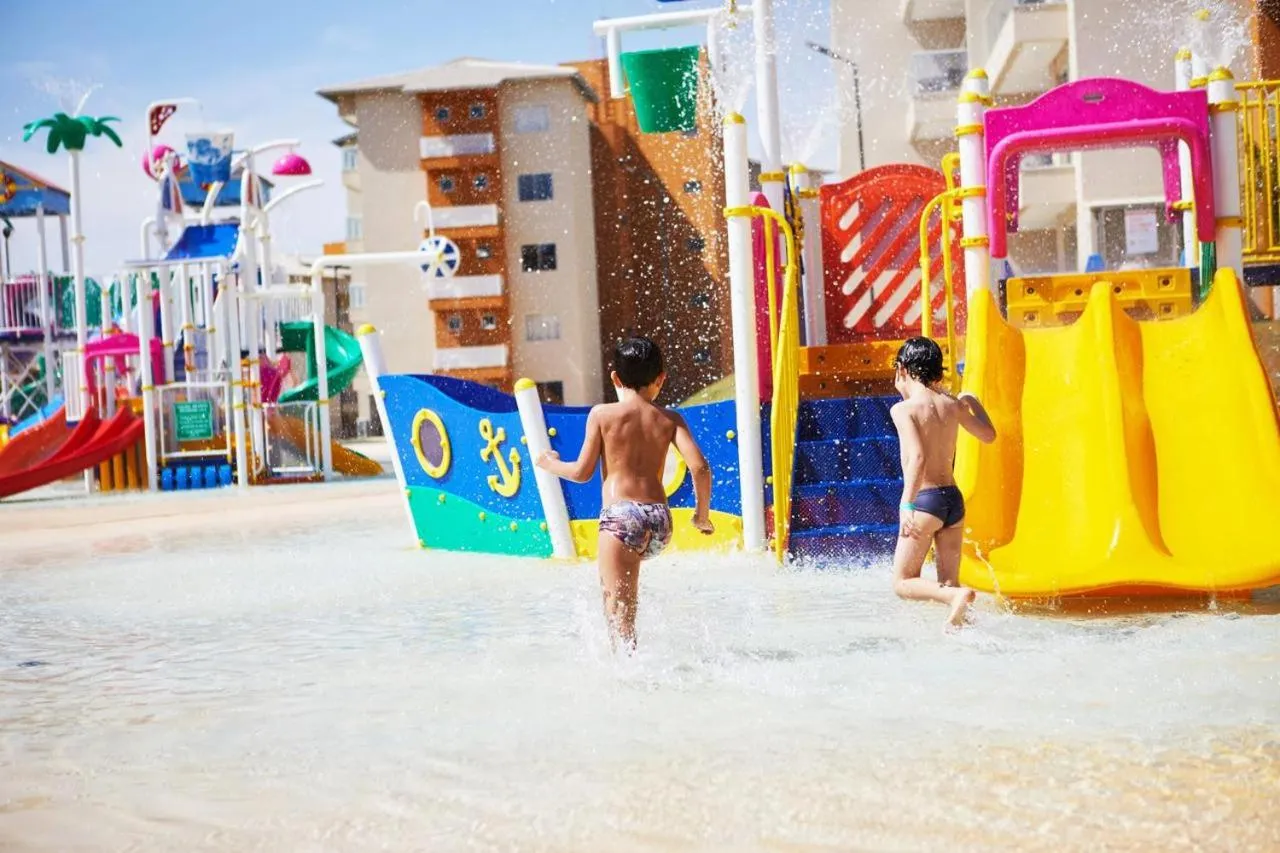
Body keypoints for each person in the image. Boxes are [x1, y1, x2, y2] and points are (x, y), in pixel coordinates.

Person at [536, 336, 714, 651]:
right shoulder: (670, 419)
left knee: (616, 604)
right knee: (629, 598)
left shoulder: (602, 415)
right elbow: (700, 468)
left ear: (615, 378)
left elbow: (581, 472)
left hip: (622, 519)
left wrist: (551, 464)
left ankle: (626, 671)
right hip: (660, 522)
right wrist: (701, 516)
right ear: (661, 379)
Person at [889, 337, 997, 628]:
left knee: (903, 582)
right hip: (953, 501)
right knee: (949, 582)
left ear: (902, 369)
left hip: (925, 502)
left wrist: (906, 504)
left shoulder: (904, 410)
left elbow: (918, 458)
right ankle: (963, 627)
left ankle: (956, 598)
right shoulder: (953, 405)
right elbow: (989, 435)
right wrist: (972, 403)